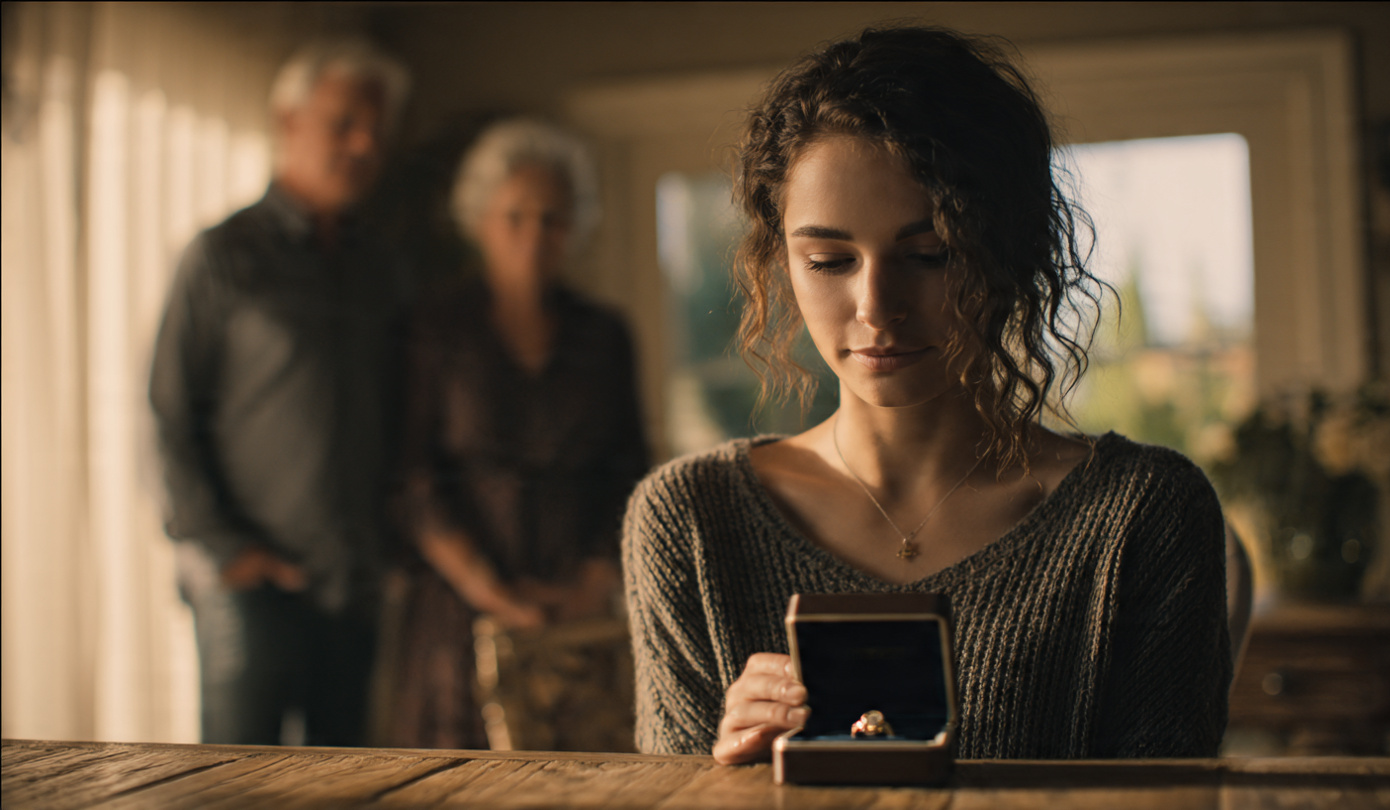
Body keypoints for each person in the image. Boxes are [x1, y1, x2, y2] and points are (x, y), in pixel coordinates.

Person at [622, 26, 1232, 763]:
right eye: (829, 259)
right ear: (780, 263)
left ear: (1010, 253)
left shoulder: (1140, 515)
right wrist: (727, 771)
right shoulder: (689, 520)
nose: (877, 306)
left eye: (928, 255)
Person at [149, 40, 410, 746]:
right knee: (238, 784)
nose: (364, 144)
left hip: (352, 577)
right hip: (248, 584)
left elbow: (399, 412)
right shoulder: (222, 254)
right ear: (288, 122)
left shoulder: (381, 266)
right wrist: (229, 552)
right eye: (345, 123)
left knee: (346, 781)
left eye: (377, 131)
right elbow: (168, 413)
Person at [387, 118, 651, 749]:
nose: (535, 235)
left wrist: (590, 582)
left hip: (580, 615)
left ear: (575, 228)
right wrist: (491, 591)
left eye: (553, 219)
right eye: (516, 216)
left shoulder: (605, 333)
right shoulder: (434, 327)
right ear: (479, 221)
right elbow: (411, 477)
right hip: (462, 613)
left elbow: (629, 469)